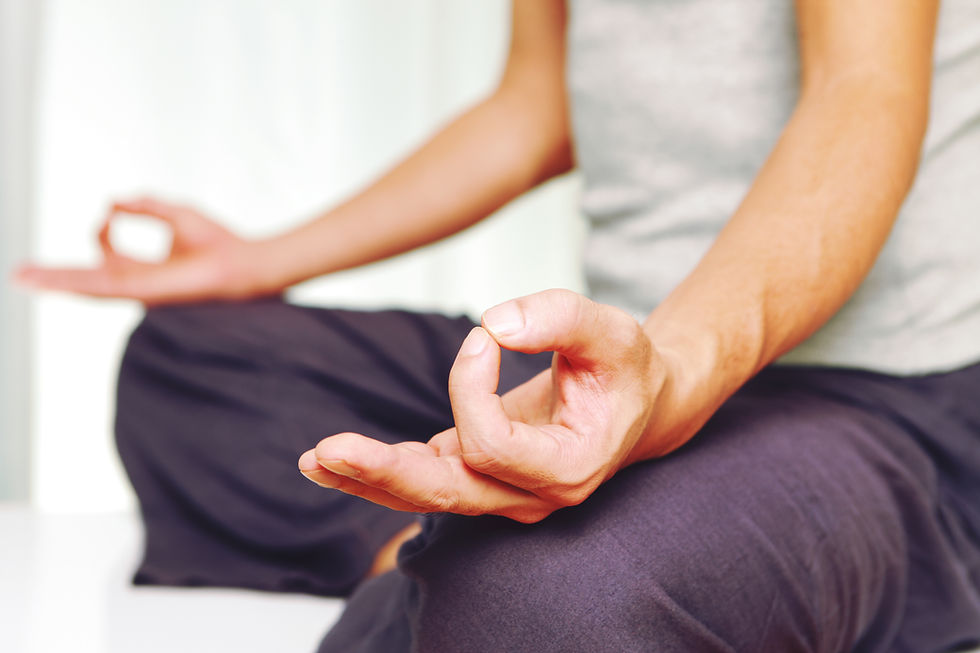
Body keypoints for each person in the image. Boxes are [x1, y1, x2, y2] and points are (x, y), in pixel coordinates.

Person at [16, 0, 980, 651]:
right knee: (190, 356)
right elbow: (537, 105)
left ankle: (451, 564)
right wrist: (257, 262)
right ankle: (421, 549)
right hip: (627, 361)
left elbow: (864, 96)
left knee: (542, 604)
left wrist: (675, 370)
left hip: (870, 394)